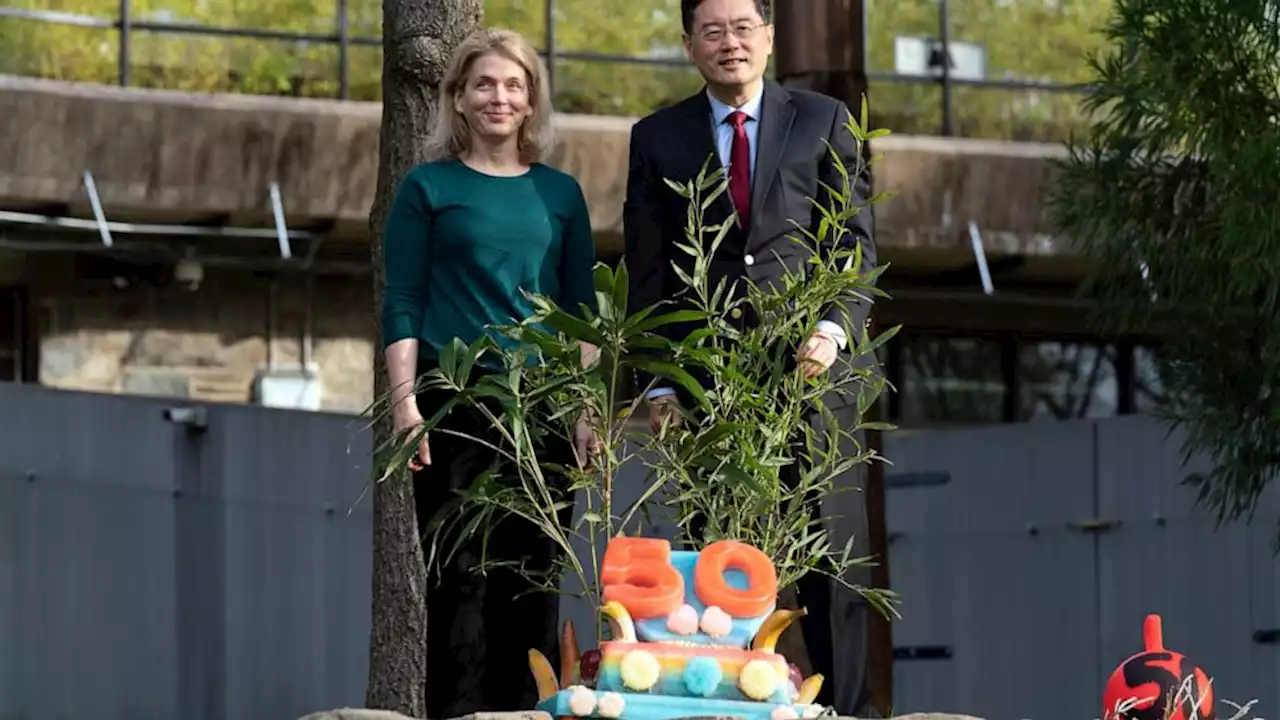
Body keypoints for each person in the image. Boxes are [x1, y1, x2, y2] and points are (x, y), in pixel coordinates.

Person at [622, 0, 879, 715]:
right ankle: (725, 702)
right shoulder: (655, 138)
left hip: (812, 375)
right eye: (712, 30)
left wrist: (830, 331)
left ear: (769, 36)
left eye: (742, 27)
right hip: (708, 385)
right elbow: (648, 274)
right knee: (715, 557)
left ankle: (848, 709)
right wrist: (657, 386)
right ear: (688, 45)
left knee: (832, 555)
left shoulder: (825, 120)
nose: (729, 42)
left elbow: (854, 246)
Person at [379, 28, 598, 718]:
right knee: (459, 578)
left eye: (513, 85)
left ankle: (527, 713)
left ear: (532, 101)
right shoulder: (428, 187)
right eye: (483, 84)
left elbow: (580, 311)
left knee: (532, 576)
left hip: (543, 408)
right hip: (457, 405)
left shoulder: (559, 194)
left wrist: (586, 410)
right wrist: (405, 405)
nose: (498, 97)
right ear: (458, 100)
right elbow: (404, 299)